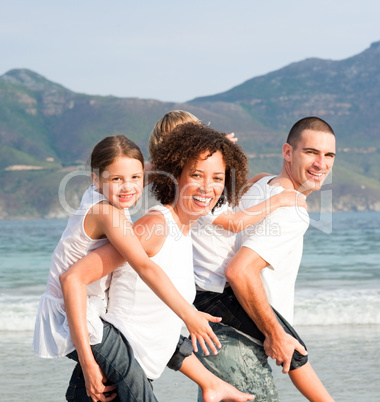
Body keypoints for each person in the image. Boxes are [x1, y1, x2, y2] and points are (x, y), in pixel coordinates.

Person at [60, 124, 255, 401]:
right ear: (174, 176)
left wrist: (210, 382)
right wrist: (89, 361)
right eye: (196, 175)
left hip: (134, 378)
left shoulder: (183, 232)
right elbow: (74, 277)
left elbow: (158, 327)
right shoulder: (154, 227)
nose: (207, 187)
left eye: (217, 177)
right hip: (108, 382)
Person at [194, 116, 336, 401]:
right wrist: (275, 333)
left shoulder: (258, 185)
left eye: (329, 155)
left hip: (213, 331)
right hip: (238, 338)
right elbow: (240, 271)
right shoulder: (292, 210)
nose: (321, 164)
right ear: (287, 152)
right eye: (311, 152)